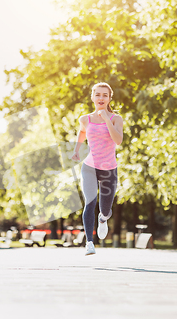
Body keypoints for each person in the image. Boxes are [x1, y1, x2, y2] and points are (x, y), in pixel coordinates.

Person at [71, 82, 124, 255]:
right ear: (92, 97)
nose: (101, 98)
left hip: (109, 168)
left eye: (105, 95)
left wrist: (106, 118)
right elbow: (82, 132)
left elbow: (118, 140)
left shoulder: (116, 119)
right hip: (90, 167)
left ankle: (103, 219)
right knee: (90, 202)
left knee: (106, 209)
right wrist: (77, 150)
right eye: (98, 95)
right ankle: (89, 243)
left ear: (109, 98)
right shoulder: (85, 119)